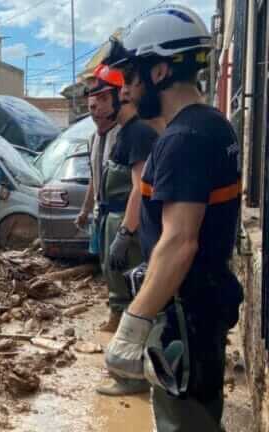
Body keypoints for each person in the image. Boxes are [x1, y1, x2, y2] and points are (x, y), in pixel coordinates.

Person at [104, 5, 242, 431]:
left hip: (186, 319)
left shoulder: (184, 139)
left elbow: (180, 241)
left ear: (160, 71)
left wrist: (134, 323)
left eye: (131, 78)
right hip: (200, 311)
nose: (124, 91)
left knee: (184, 423)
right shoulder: (210, 126)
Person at [88, 62, 159, 397]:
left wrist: (126, 233)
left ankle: (133, 376)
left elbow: (139, 189)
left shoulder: (140, 133)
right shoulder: (125, 133)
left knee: (135, 296)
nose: (98, 108)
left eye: (104, 99)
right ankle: (129, 370)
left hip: (128, 227)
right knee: (120, 289)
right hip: (116, 222)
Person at [75, 69, 120, 332]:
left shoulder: (122, 135)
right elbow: (94, 177)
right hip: (101, 214)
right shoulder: (94, 139)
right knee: (105, 265)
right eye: (91, 107)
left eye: (100, 104)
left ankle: (121, 315)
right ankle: (115, 311)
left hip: (120, 213)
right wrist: (84, 211)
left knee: (119, 266)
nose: (95, 112)